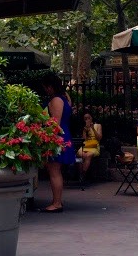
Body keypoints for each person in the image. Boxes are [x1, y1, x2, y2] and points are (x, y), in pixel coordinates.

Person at [40, 73, 76, 213]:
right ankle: (57, 201)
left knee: (54, 170)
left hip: (57, 137)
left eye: (46, 87)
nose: (45, 90)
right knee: (56, 170)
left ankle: (56, 203)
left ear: (50, 86)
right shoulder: (65, 97)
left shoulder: (56, 100)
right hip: (64, 135)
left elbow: (55, 123)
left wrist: (48, 140)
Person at [77, 113, 102, 182]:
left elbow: (99, 138)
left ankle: (83, 174)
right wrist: (85, 130)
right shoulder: (85, 128)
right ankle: (80, 174)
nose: (87, 120)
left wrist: (93, 128)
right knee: (81, 155)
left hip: (94, 146)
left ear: (91, 118)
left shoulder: (98, 126)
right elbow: (84, 139)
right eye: (85, 118)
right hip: (86, 145)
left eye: (88, 118)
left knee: (88, 155)